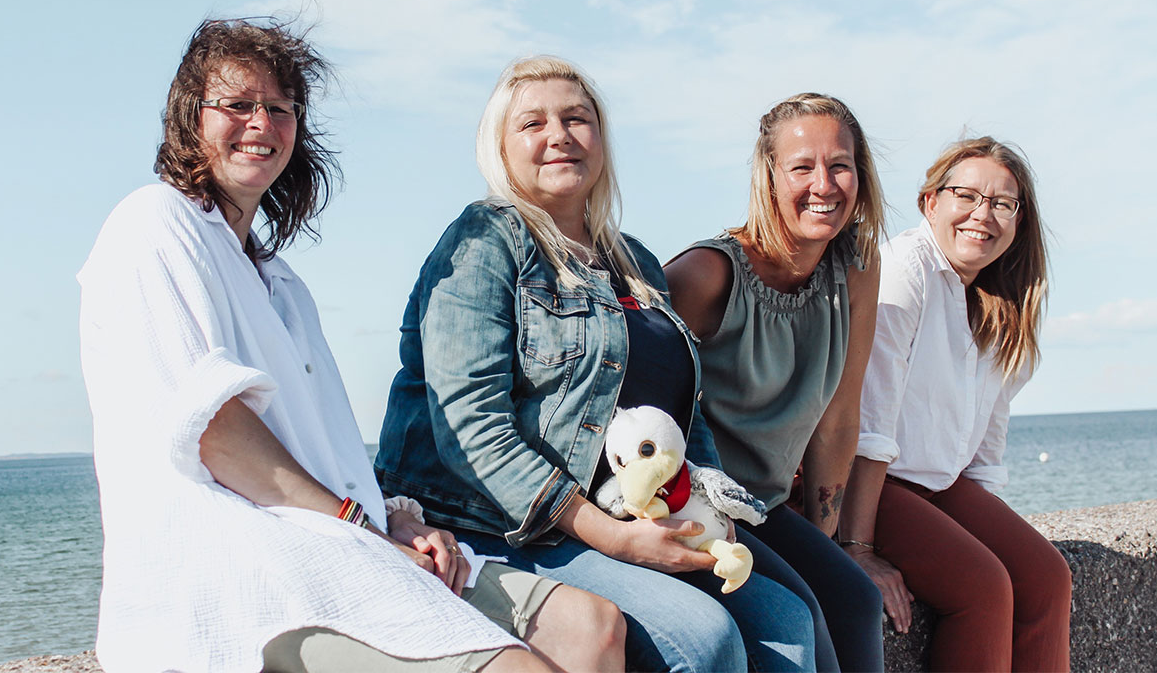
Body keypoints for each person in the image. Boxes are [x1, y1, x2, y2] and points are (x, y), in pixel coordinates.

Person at [78, 19, 624, 673]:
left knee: (593, 629)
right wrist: (359, 528)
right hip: (238, 569)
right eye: (237, 104)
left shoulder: (282, 285)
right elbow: (216, 434)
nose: (261, 123)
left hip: (336, 542)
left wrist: (394, 521)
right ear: (188, 118)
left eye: (280, 109)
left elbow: (323, 453)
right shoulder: (153, 224)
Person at [377, 55, 817, 672]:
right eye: (533, 123)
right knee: (703, 637)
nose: (559, 135)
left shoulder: (634, 260)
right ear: (500, 148)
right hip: (501, 523)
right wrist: (613, 538)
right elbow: (470, 428)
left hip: (628, 507)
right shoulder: (484, 241)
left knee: (788, 622)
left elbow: (681, 416)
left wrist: (710, 508)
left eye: (576, 119)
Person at [664, 93, 887, 672]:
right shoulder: (706, 275)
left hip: (767, 506)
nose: (824, 185)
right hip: (697, 504)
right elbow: (628, 393)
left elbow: (839, 416)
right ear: (768, 177)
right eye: (802, 167)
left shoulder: (856, 268)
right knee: (802, 615)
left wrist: (825, 541)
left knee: (856, 599)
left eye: (840, 165)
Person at [841, 137, 1071, 671]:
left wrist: (985, 526)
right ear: (931, 202)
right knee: (983, 586)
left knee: (1046, 576)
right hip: (862, 479)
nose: (982, 215)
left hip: (936, 485)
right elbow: (870, 422)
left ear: (1018, 220)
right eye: (966, 196)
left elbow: (986, 447)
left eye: (1002, 203)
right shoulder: (905, 269)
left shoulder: (1002, 302)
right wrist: (857, 548)